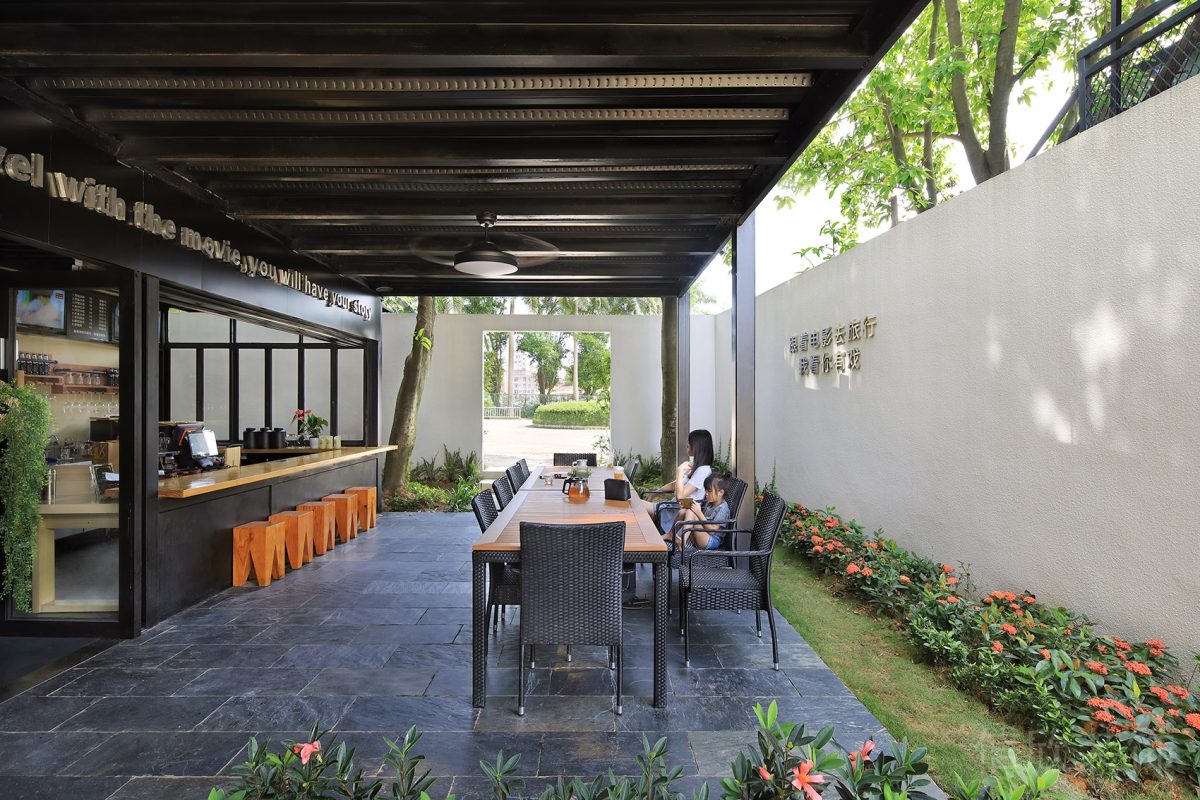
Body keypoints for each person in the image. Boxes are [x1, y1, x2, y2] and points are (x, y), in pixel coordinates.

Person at [639, 429, 714, 533]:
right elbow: (675, 484)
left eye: (690, 442)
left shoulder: (703, 470)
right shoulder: (696, 466)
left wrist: (679, 472)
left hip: (674, 514)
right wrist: (654, 493)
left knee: (636, 505)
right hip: (669, 508)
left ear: (698, 446)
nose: (687, 444)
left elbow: (681, 497)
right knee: (637, 510)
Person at [666, 472, 731, 550]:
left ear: (721, 492)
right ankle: (671, 534)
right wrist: (688, 504)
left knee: (691, 512)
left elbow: (712, 531)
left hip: (712, 541)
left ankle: (683, 541)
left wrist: (698, 512)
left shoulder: (722, 509)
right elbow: (701, 519)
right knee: (684, 511)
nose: (706, 493)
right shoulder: (710, 503)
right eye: (706, 490)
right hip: (703, 534)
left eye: (709, 491)